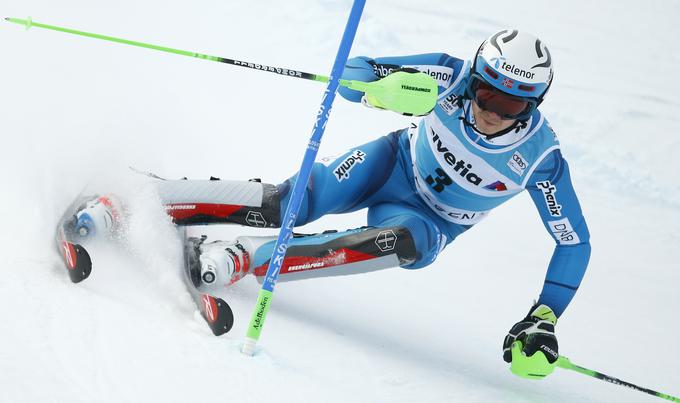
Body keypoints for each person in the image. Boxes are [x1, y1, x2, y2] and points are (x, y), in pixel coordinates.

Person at [76, 29, 590, 378]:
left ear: (533, 103)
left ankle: (243, 257)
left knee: (406, 244)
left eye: (511, 103)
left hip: (423, 218)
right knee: (288, 204)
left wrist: (545, 315)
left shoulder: (540, 158)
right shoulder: (447, 76)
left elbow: (574, 242)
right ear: (475, 76)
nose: (491, 111)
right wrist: (381, 90)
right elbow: (352, 71)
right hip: (388, 164)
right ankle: (139, 200)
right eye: (485, 93)